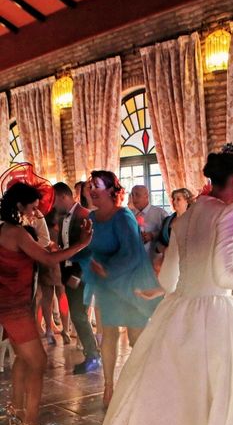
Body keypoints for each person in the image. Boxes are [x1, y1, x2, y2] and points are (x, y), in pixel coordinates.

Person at [85, 144, 233, 425]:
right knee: (217, 400)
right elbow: (224, 276)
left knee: (179, 400)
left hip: (178, 313)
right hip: (216, 314)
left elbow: (169, 281)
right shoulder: (229, 212)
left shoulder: (185, 217)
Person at [0, 182, 92, 425]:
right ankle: (32, 423)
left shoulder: (6, 229)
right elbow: (49, 260)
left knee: (22, 359)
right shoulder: (16, 232)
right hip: (15, 307)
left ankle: (16, 410)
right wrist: (82, 243)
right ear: (19, 206)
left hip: (11, 303)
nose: (36, 213)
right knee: (38, 363)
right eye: (32, 208)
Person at [80, 171, 162, 408]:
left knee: (136, 337)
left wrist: (109, 270)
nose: (91, 190)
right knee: (109, 334)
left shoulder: (123, 216)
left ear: (110, 190)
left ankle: (146, 383)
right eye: (89, 186)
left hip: (131, 283)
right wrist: (84, 265)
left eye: (96, 185)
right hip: (107, 285)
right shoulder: (92, 218)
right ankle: (108, 387)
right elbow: (88, 248)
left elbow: (132, 253)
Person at [53, 182, 101, 375]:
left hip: (81, 274)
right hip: (68, 272)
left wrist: (77, 275)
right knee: (77, 315)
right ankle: (92, 354)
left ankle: (93, 356)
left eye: (54, 200)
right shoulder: (65, 217)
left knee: (79, 315)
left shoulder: (84, 215)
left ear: (64, 197)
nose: (53, 205)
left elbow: (90, 249)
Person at [38, 209, 71, 346]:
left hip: (45, 262)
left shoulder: (43, 223)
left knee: (47, 298)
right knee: (62, 297)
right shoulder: (63, 225)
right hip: (61, 263)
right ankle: (65, 329)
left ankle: (49, 331)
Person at [154, 188, 194, 271]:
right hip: (167, 263)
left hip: (186, 265)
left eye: (178, 199)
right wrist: (164, 250)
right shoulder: (167, 220)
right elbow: (158, 243)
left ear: (188, 201)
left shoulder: (193, 221)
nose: (174, 202)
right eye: (173, 199)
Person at [129, 184, 169, 256]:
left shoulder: (160, 213)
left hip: (153, 260)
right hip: (132, 260)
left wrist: (152, 235)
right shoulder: (128, 214)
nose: (133, 198)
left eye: (137, 195)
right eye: (132, 195)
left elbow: (169, 233)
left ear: (146, 196)